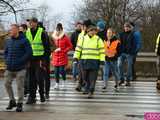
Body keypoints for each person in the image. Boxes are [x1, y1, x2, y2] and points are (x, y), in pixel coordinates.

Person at [4, 24, 32, 112]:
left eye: (11, 30)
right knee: (6, 84)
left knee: (20, 86)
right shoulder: (8, 41)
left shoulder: (24, 40)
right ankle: (12, 101)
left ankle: (20, 104)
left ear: (16, 30)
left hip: (21, 68)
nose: (10, 31)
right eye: (10, 30)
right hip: (10, 67)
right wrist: (6, 60)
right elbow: (6, 52)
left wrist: (21, 61)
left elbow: (29, 53)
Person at [73, 23, 105, 98]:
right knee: (85, 77)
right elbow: (78, 49)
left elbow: (102, 51)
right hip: (85, 61)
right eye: (91, 31)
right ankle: (87, 88)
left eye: (94, 31)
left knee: (92, 78)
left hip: (94, 61)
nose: (93, 32)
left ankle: (91, 91)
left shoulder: (98, 39)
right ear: (88, 31)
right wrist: (75, 57)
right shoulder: (83, 39)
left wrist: (102, 60)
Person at [26, 17, 50, 104]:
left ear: (36, 23)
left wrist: (44, 60)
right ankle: (32, 97)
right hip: (30, 59)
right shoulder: (27, 32)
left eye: (31, 22)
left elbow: (47, 48)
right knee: (31, 79)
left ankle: (42, 95)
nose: (30, 24)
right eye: (29, 23)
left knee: (39, 78)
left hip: (40, 59)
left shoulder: (42, 32)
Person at [51, 23, 72, 90]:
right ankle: (57, 84)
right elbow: (51, 45)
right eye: (57, 30)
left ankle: (64, 81)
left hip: (63, 56)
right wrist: (53, 50)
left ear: (62, 30)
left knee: (61, 70)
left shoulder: (65, 38)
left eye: (59, 30)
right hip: (55, 56)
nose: (58, 32)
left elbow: (70, 46)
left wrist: (63, 50)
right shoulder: (53, 37)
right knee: (56, 71)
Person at [74, 19, 92, 92]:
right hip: (81, 55)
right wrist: (76, 56)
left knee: (86, 72)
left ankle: (86, 85)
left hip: (88, 56)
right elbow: (78, 45)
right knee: (80, 71)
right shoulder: (81, 34)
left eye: (83, 26)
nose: (82, 27)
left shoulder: (91, 34)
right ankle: (80, 84)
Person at [118, 22, 137, 86]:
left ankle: (128, 80)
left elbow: (134, 44)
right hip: (122, 53)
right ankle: (121, 79)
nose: (126, 28)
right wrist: (119, 51)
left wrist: (132, 52)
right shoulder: (121, 34)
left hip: (129, 53)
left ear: (129, 28)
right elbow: (119, 44)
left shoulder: (132, 35)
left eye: (127, 27)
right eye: (125, 27)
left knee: (129, 67)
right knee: (119, 65)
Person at [38, 22, 51, 99]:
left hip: (43, 59)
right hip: (42, 58)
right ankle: (46, 93)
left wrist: (44, 60)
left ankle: (45, 93)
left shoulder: (43, 34)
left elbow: (47, 48)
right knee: (44, 77)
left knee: (43, 77)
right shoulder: (45, 33)